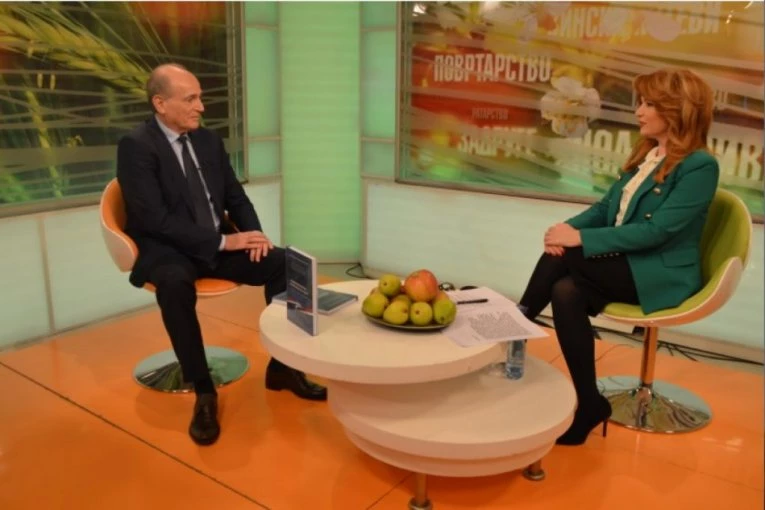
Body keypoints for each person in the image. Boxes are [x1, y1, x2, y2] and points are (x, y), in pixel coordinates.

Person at [117, 63, 326, 446]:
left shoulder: (208, 141)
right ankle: (203, 390)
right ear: (160, 103)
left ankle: (284, 366)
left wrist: (254, 234)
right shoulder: (136, 146)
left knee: (287, 264)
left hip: (216, 242)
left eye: (200, 98)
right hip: (168, 248)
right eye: (191, 99)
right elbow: (155, 219)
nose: (201, 107)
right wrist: (224, 243)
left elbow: (235, 197)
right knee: (174, 284)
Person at [518, 68, 719, 445]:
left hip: (659, 273)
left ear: (678, 109)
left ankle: (515, 328)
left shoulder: (700, 166)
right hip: (627, 265)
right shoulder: (648, 155)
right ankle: (590, 403)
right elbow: (604, 208)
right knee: (565, 291)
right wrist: (564, 229)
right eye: (640, 103)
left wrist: (577, 239)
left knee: (564, 259)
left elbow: (657, 232)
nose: (639, 112)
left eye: (649, 104)